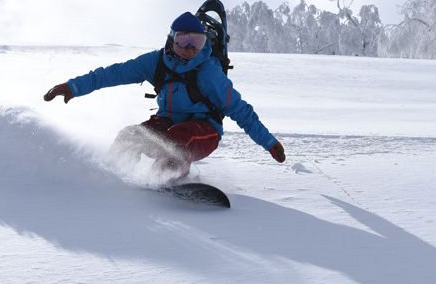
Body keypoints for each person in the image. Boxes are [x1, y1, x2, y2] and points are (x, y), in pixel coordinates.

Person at [44, 10, 286, 182]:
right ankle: (110, 175)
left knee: (176, 142)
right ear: (171, 39)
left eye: (197, 42)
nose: (189, 48)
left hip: (204, 130)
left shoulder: (209, 73)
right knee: (130, 135)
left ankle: (164, 181)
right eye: (183, 40)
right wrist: (73, 87)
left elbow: (241, 111)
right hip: (167, 122)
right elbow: (113, 74)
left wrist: (270, 143)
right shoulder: (156, 62)